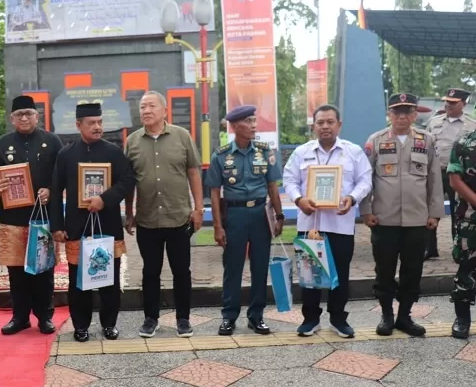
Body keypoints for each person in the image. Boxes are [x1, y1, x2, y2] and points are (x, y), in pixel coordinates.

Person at [283, 105, 372, 338]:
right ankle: (310, 319)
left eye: (330, 122)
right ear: (313, 126)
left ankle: (338, 318)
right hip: (309, 224)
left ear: (339, 125)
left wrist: (352, 198)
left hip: (341, 225)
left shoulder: (353, 151)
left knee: (340, 274)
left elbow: (366, 180)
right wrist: (299, 199)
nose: (325, 126)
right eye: (320, 122)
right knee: (308, 274)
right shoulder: (302, 153)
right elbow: (289, 180)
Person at [50, 103, 135, 342]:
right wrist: (56, 226)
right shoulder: (66, 154)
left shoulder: (113, 152)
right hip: (77, 226)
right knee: (79, 282)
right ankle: (81, 326)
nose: (97, 127)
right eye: (92, 123)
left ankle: (109, 324)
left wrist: (104, 198)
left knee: (110, 279)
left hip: (107, 224)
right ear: (79, 125)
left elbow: (128, 181)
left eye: (100, 122)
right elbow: (56, 191)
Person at [361, 93, 444, 337]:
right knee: (384, 271)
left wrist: (435, 213)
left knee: (412, 270)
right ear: (389, 114)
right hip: (384, 219)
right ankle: (386, 315)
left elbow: (434, 180)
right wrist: (366, 211)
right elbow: (366, 179)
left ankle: (404, 316)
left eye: (407, 112)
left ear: (414, 115)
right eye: (397, 111)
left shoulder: (426, 140)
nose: (402, 116)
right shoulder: (375, 140)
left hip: (417, 219)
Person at [124, 91, 204, 338]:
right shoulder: (133, 141)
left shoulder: (181, 136)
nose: (146, 111)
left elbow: (193, 172)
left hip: (179, 217)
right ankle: (151, 318)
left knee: (182, 271)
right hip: (147, 219)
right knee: (150, 271)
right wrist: (129, 212)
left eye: (151, 106)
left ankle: (183, 319)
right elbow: (128, 181)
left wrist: (198, 209)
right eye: (142, 107)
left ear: (164, 110)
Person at [206, 105, 284, 336]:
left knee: (260, 266)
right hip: (235, 215)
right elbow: (214, 192)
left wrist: (279, 217)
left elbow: (272, 187)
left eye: (254, 120)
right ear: (234, 126)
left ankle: (256, 316)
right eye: (248, 122)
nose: (253, 126)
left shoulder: (264, 151)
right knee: (233, 267)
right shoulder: (220, 155)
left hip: (261, 215)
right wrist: (218, 226)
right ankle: (229, 316)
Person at [0, 95, 63, 335]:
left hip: (42, 215)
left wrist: (51, 190)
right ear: (12, 118)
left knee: (43, 269)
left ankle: (44, 316)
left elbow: (62, 176)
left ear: (37, 116)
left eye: (28, 114)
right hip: (12, 217)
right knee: (16, 271)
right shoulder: (2, 143)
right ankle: (19, 317)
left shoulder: (52, 141)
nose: (24, 118)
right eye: (19, 114)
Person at [424, 88, 476, 260]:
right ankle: (429, 249)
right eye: (446, 101)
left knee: (458, 212)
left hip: (460, 177)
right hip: (435, 172)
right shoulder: (434, 122)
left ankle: (458, 249)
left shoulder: (471, 125)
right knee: (430, 209)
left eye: (453, 102)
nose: (448, 105)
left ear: (464, 103)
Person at [446, 122, 476, 338]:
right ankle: (462, 319)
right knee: (466, 267)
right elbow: (455, 180)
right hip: (470, 219)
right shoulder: (463, 143)